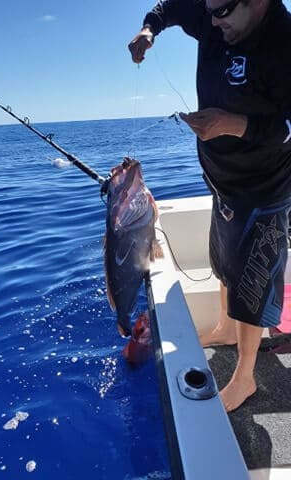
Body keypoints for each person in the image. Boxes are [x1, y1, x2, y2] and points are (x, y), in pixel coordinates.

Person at [128, 0, 291, 412]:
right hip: (221, 180)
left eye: (221, 16)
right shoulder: (214, 10)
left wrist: (232, 125)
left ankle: (246, 376)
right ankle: (224, 326)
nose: (212, 25)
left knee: (252, 279)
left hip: (264, 186)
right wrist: (149, 30)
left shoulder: (283, 42)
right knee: (223, 259)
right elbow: (168, 8)